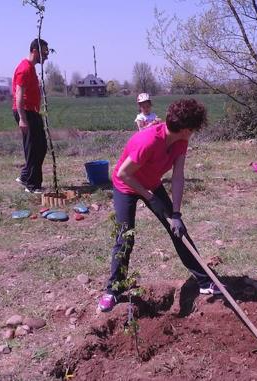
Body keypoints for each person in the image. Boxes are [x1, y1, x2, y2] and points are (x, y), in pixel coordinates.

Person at [98, 98, 220, 312]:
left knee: (178, 230)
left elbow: (178, 176)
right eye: (193, 128)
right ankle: (113, 290)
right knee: (125, 236)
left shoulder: (182, 140)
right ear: (185, 128)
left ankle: (204, 281)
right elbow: (123, 173)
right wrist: (148, 196)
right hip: (126, 185)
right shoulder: (147, 141)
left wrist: (176, 213)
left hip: (152, 183)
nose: (194, 132)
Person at [13, 38, 49, 194]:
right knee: (34, 148)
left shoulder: (31, 68)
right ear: (35, 51)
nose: (46, 56)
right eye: (44, 52)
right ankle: (32, 186)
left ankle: (26, 176)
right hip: (26, 112)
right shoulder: (25, 68)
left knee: (40, 146)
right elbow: (19, 93)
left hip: (32, 111)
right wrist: (22, 117)